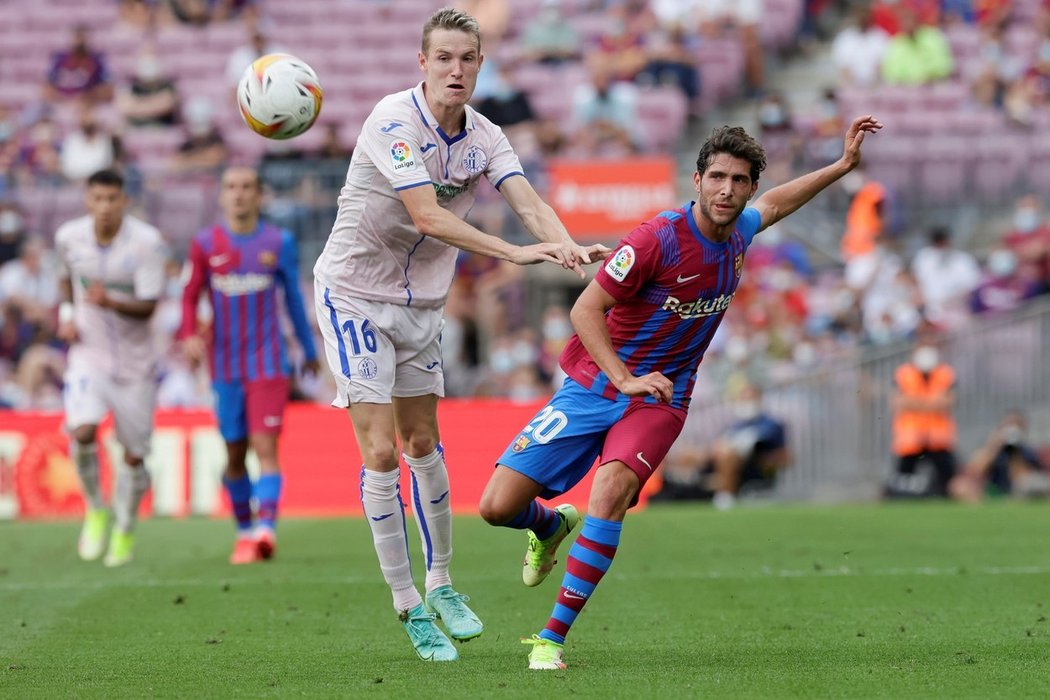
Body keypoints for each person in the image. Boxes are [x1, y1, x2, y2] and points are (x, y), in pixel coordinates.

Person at [478, 115, 882, 670]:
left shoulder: (740, 231)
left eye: (740, 180)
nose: (728, 190)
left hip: (661, 398)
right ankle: (550, 526)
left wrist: (840, 166)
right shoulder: (655, 239)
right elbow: (584, 309)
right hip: (594, 387)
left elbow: (784, 202)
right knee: (496, 507)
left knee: (610, 493)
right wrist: (622, 377)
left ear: (749, 188)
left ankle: (551, 639)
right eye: (717, 177)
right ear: (696, 181)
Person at [311, 7, 608, 662]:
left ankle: (442, 582)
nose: (455, 69)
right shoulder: (392, 121)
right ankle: (407, 603)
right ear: (423, 63)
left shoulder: (486, 137)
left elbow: (525, 197)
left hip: (421, 305)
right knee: (382, 451)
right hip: (354, 296)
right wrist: (515, 253)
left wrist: (563, 246)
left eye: (466, 58)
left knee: (423, 441)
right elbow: (426, 214)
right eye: (442, 57)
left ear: (480, 65)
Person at [179, 166, 320, 565]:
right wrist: (189, 333)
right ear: (222, 196)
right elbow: (189, 296)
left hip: (268, 363)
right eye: (231, 187)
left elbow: (293, 298)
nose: (238, 194)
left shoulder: (279, 242)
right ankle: (244, 531)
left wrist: (308, 350)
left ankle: (265, 530)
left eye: (246, 188)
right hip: (224, 366)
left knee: (265, 447)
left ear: (259, 196)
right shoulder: (205, 244)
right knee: (235, 454)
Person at [53, 168, 166, 567]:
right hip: (89, 354)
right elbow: (66, 278)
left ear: (124, 201)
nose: (104, 207)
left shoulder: (147, 244)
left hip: (137, 365)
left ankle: (124, 527)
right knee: (82, 430)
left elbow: (151, 304)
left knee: (134, 457)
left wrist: (111, 302)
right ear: (88, 200)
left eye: (111, 199)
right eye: (97, 199)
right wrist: (68, 313)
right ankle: (95, 508)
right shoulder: (69, 237)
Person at [885, 337, 957, 499]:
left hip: (937, 438)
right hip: (911, 438)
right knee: (903, 478)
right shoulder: (904, 373)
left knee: (947, 477)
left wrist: (914, 402)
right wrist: (931, 403)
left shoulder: (945, 373)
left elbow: (947, 402)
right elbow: (897, 402)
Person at [950, 411, 1050, 502]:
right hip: (994, 488)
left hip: (1018, 491)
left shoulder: (1026, 450)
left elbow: (1022, 479)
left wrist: (1014, 453)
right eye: (1008, 425)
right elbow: (974, 469)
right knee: (959, 486)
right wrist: (994, 445)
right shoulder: (993, 448)